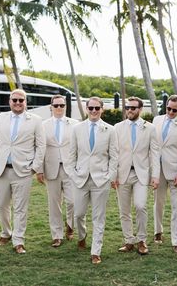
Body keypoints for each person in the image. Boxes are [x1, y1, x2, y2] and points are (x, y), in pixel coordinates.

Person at [0, 89, 46, 254]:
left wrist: (34, 167)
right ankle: (6, 233)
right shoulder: (0, 118)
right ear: (9, 101)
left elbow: (41, 146)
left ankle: (18, 241)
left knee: (20, 208)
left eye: (21, 100)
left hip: (24, 171)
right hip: (1, 170)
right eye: (15, 100)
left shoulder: (36, 120)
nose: (18, 103)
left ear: (26, 102)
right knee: (2, 205)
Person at [67, 96, 118, 264]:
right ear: (87, 109)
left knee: (99, 217)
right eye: (91, 108)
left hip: (100, 180)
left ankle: (96, 251)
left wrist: (109, 177)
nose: (94, 111)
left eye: (97, 108)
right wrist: (74, 175)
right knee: (79, 214)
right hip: (80, 179)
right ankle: (82, 236)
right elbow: (71, 156)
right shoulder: (77, 129)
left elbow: (114, 157)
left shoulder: (110, 130)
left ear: (102, 109)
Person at [114, 96, 160, 255]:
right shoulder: (117, 127)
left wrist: (155, 176)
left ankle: (142, 240)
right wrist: (113, 175)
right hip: (122, 174)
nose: (129, 110)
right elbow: (113, 153)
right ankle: (128, 241)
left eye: (133, 108)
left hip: (142, 174)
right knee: (124, 210)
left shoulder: (150, 128)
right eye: (127, 107)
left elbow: (155, 153)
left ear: (140, 109)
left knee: (141, 206)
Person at [153, 94, 177, 254]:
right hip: (157, 169)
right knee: (158, 203)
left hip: (175, 171)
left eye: (174, 110)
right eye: (168, 108)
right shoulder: (156, 120)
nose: (170, 112)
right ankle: (158, 232)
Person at [38, 95, 78, 248]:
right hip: (51, 168)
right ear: (51, 107)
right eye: (56, 105)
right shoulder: (43, 125)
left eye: (62, 105)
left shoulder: (75, 124)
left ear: (66, 106)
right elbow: (40, 148)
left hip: (70, 169)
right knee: (54, 203)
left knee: (73, 201)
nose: (59, 108)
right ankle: (57, 235)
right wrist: (39, 170)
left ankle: (70, 225)